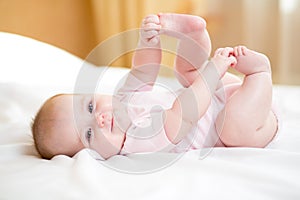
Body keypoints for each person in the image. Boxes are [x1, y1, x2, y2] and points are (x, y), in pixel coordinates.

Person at [31, 13, 278, 160]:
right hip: (246, 125)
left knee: (186, 73)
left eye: (90, 107)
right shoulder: (137, 143)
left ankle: (193, 33)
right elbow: (184, 113)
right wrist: (213, 72)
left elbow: (143, 71)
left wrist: (147, 41)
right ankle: (260, 73)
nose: (101, 119)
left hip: (219, 94)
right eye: (88, 134)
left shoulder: (123, 98)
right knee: (233, 126)